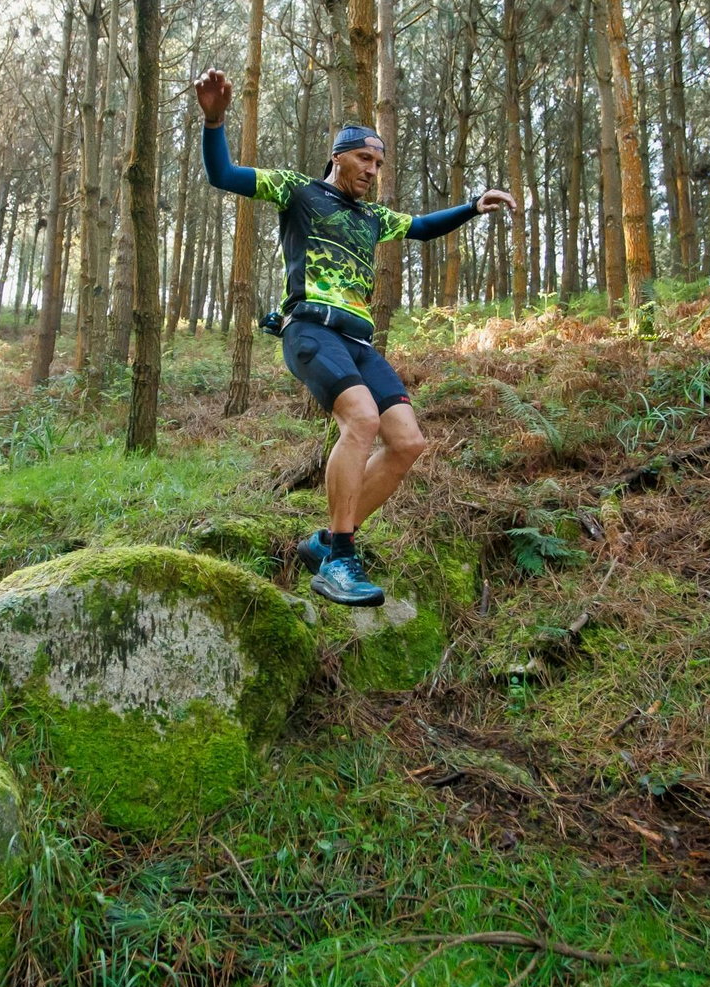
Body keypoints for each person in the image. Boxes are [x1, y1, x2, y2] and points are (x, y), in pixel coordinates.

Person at [195, 67, 514, 607]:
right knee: (362, 419)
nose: (372, 170)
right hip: (310, 331)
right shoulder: (296, 191)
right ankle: (341, 559)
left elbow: (419, 226)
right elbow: (223, 174)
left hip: (360, 344)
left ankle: (325, 542)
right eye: (364, 158)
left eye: (379, 163)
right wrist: (215, 120)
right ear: (338, 155)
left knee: (408, 441)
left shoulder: (372, 218)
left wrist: (471, 207)